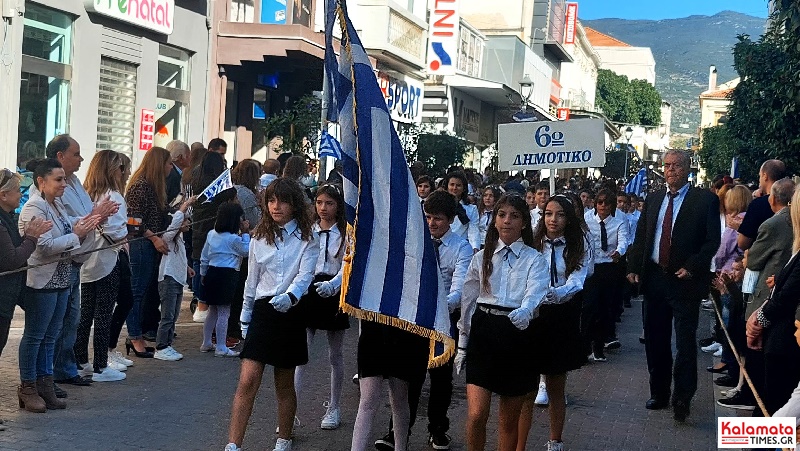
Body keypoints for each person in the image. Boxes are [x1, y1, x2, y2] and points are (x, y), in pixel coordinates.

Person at [626, 150, 721, 422]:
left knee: (684, 343)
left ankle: (683, 397)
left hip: (684, 282)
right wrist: (634, 267)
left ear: (687, 169)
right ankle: (659, 391)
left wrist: (693, 266)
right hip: (655, 279)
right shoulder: (654, 199)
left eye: (676, 166)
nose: (670, 171)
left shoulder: (704, 201)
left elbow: (711, 241)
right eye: (666, 166)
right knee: (655, 340)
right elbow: (643, 235)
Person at [374, 190, 473, 450]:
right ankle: (397, 431)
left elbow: (459, 287)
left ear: (450, 219)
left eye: (438, 218)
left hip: (442, 318)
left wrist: (438, 307)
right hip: (414, 317)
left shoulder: (461, 247)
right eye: (427, 217)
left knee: (441, 379)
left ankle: (438, 429)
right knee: (407, 377)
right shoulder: (416, 242)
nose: (431, 223)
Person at [226, 178, 319, 451]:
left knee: (284, 380)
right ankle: (234, 444)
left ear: (294, 205)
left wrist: (290, 296)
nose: (276, 207)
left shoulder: (307, 238)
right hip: (263, 311)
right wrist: (244, 318)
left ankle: (284, 438)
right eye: (271, 200)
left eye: (283, 201)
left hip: (291, 311)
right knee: (248, 378)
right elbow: (251, 280)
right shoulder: (258, 237)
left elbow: (305, 275)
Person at [457, 194, 548, 451]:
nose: (507, 221)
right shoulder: (481, 257)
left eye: (515, 216)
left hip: (517, 334)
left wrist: (527, 309)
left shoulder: (534, 258)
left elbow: (537, 289)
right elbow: (468, 300)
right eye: (502, 215)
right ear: (494, 220)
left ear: (524, 223)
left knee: (508, 421)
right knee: (476, 415)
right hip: (485, 331)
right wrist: (463, 342)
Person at [17, 158, 101, 412]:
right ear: (41, 182)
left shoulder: (58, 205)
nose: (65, 184)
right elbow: (44, 247)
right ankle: (28, 387)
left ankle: (45, 384)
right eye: (59, 179)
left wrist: (82, 229)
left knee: (51, 336)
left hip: (62, 278)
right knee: (35, 336)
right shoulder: (35, 207)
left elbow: (68, 235)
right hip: (42, 281)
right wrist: (76, 234)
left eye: (64, 179)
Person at [44, 135, 118, 390]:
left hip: (77, 258)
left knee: (71, 317)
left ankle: (65, 367)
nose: (81, 159)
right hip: (60, 261)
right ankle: (50, 373)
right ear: (59, 157)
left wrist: (99, 214)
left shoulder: (74, 182)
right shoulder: (49, 191)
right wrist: (97, 215)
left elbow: (84, 216)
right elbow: (71, 223)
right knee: (57, 321)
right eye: (76, 154)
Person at [518, 195, 590, 451]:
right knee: (526, 388)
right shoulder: (532, 243)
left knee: (556, 386)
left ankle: (555, 440)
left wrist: (556, 293)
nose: (553, 219)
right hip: (534, 316)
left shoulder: (577, 245)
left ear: (568, 218)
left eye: (559, 214)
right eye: (548, 214)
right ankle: (519, 443)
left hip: (560, 318)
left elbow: (577, 279)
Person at [721, 178, 795, 410]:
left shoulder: (776, 223)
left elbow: (755, 260)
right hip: (774, 306)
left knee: (775, 397)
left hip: (770, 307)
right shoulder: (788, 225)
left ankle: (753, 405)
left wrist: (759, 319)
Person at [294, 184, 350, 431]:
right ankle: (291, 409)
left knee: (335, 354)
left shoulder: (346, 232)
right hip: (310, 289)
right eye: (319, 203)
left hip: (334, 291)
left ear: (338, 206)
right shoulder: (308, 230)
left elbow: (347, 263)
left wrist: (335, 285)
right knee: (300, 353)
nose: (323, 208)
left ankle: (334, 406)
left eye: (329, 203)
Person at [74, 150, 131, 382]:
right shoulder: (113, 197)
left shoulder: (86, 195)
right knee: (103, 314)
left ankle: (80, 360)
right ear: (113, 170)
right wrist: (125, 234)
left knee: (86, 314)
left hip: (87, 261)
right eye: (121, 168)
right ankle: (100, 364)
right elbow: (117, 231)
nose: (124, 173)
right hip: (107, 260)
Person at [747, 184, 800, 414]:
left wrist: (759, 319)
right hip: (780, 338)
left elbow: (789, 295)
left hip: (787, 341)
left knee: (776, 414)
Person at [124, 147, 173, 359]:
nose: (171, 167)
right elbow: (134, 221)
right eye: (168, 163)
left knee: (141, 292)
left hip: (149, 244)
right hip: (141, 244)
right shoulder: (140, 186)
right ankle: (134, 336)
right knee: (135, 292)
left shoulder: (153, 186)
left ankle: (137, 334)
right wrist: (154, 238)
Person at [199, 202, 251, 357]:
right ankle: (221, 346)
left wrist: (203, 273)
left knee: (212, 310)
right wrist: (246, 233)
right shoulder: (233, 239)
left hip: (212, 272)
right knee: (224, 311)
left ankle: (206, 342)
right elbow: (246, 251)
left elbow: (204, 256)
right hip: (227, 275)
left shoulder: (211, 234)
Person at [191, 152, 237, 323]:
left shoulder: (196, 181)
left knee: (198, 263)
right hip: (211, 231)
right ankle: (203, 303)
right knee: (207, 268)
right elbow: (228, 194)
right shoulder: (216, 187)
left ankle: (199, 300)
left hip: (197, 228)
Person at [582, 188, 628, 360]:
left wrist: (619, 251)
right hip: (591, 268)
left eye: (607, 203)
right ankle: (585, 346)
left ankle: (599, 346)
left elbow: (623, 240)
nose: (603, 206)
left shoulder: (619, 222)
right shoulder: (586, 220)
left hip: (610, 267)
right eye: (600, 202)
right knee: (588, 307)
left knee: (605, 308)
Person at [153, 196, 196, 361]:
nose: (188, 224)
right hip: (169, 279)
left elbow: (179, 257)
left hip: (178, 279)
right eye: (185, 221)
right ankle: (161, 346)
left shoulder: (180, 240)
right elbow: (173, 226)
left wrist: (187, 268)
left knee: (174, 315)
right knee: (167, 316)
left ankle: (168, 344)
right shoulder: (169, 238)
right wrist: (184, 207)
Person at [736, 159, 785, 250]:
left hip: (761, 259)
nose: (759, 180)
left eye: (760, 176)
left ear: (765, 176)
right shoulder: (792, 202)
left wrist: (739, 227)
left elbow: (742, 243)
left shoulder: (757, 205)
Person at [446, 171, 480, 252]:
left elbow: (473, 230)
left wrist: (475, 247)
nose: (454, 188)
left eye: (458, 185)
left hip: (461, 247)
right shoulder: (440, 205)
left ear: (464, 188)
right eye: (452, 184)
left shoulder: (471, 209)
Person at [166, 140, 190, 205]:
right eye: (188, 155)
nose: (190, 158)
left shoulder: (174, 172)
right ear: (181, 158)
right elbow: (172, 200)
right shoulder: (172, 174)